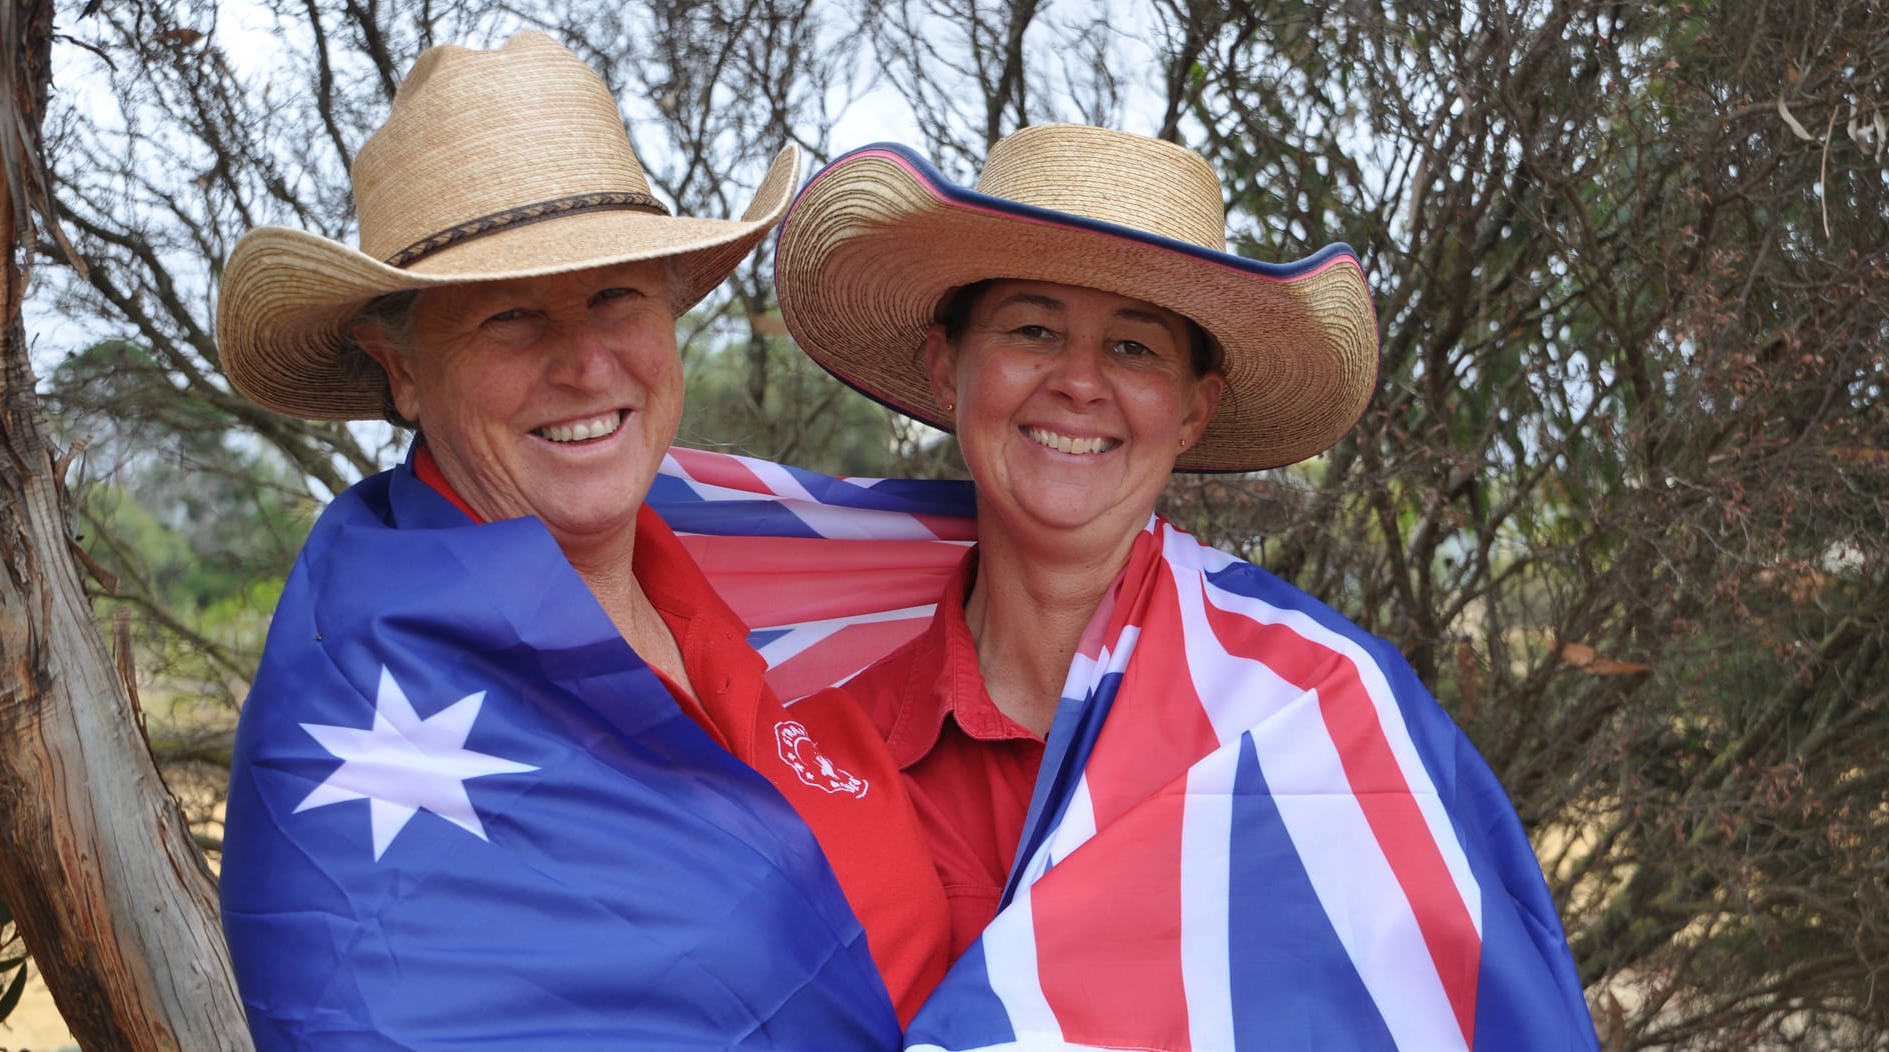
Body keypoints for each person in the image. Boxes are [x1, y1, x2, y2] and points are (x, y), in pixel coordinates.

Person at [770, 124, 1601, 1050]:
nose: (1080, 382)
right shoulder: (825, 748)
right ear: (946, 364)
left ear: (1194, 410)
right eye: (1033, 328)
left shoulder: (1318, 718)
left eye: (1135, 347)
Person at [212, 32, 948, 1048]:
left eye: (616, 296)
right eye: (509, 318)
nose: (585, 363)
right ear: (403, 372)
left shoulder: (711, 593)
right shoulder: (361, 698)